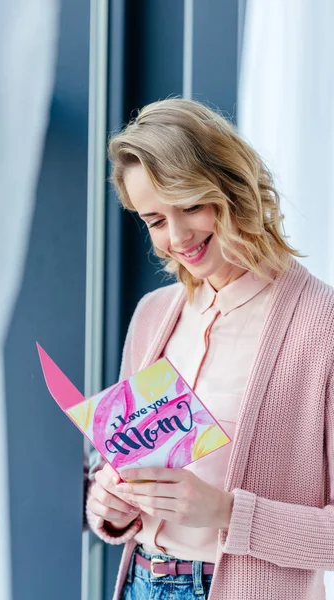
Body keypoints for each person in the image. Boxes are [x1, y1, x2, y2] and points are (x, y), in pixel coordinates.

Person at [86, 98, 334, 600]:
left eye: (190, 206)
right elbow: (117, 464)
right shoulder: (155, 316)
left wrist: (227, 513)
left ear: (231, 188)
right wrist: (106, 505)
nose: (177, 237)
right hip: (139, 584)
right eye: (155, 220)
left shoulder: (321, 326)